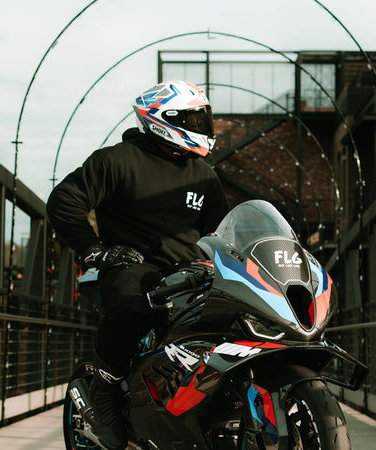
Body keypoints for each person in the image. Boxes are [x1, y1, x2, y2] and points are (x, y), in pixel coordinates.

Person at [46, 80, 229, 449]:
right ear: (162, 119)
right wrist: (95, 250)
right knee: (134, 305)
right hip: (134, 267)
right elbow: (64, 200)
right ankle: (105, 389)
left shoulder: (204, 175)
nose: (202, 127)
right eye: (193, 119)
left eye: (203, 118)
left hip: (191, 272)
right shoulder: (116, 160)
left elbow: (222, 231)